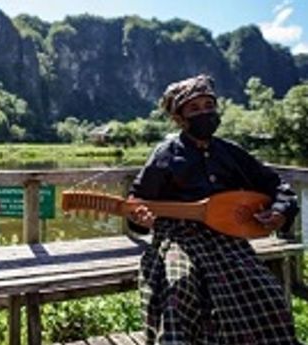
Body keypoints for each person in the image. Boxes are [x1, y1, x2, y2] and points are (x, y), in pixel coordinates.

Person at [127, 74, 300, 344]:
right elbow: (137, 201)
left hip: (226, 238)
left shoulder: (230, 152)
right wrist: (141, 219)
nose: (204, 113)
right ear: (179, 117)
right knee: (179, 287)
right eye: (194, 108)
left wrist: (279, 210)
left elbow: (275, 184)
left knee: (267, 292)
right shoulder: (165, 154)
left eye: (209, 105)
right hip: (178, 237)